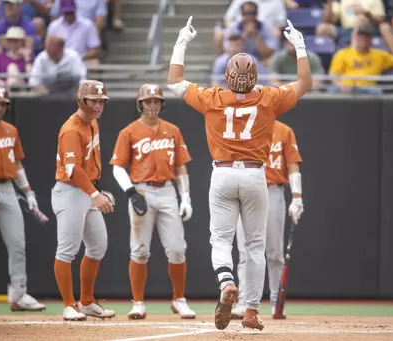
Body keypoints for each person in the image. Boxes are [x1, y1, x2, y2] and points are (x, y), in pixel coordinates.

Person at [167, 17, 312, 331]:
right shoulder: (269, 99)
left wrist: (182, 42)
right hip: (255, 176)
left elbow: (174, 81)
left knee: (220, 239)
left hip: (222, 175)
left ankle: (226, 282)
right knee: (255, 247)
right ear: (255, 76)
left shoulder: (212, 98)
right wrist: (300, 46)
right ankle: (251, 310)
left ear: (227, 75)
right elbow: (305, 84)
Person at [110, 84, 196, 320]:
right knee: (139, 250)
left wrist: (185, 196)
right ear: (140, 104)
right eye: (147, 101)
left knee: (177, 249)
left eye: (156, 101)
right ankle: (138, 302)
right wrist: (130, 192)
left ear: (162, 104)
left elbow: (181, 166)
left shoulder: (173, 130)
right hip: (142, 190)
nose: (152, 105)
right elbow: (118, 167)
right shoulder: (129, 132)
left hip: (168, 190)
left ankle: (179, 300)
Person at [52, 80, 116, 321]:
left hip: (86, 190)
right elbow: (72, 169)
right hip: (70, 190)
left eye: (102, 101)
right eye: (94, 100)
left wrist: (93, 192)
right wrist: (94, 194)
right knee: (67, 249)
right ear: (82, 100)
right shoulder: (71, 128)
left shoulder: (93, 123)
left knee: (98, 245)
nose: (99, 105)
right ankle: (69, 305)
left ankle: (87, 301)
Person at [231, 120, 304, 319]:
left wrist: (297, 196)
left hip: (273, 190)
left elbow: (292, 165)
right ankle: (244, 302)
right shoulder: (243, 127)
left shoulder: (284, 130)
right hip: (246, 190)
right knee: (245, 251)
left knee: (274, 252)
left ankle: (276, 303)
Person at [0, 86, 45, 313]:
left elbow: (18, 164)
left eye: (3, 104)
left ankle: (18, 294)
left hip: (8, 188)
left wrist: (29, 192)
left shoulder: (10, 130)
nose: (0, 107)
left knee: (17, 243)